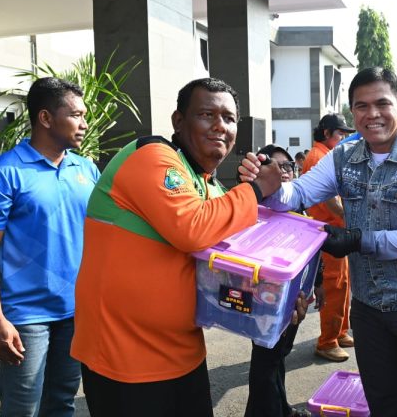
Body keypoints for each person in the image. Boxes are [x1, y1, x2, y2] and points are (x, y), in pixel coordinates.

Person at [239, 66, 397, 416]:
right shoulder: (344, 156)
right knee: (381, 405)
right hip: (370, 309)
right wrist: (266, 184)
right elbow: (299, 193)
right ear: (353, 111)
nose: (372, 114)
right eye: (361, 106)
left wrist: (359, 240)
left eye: (382, 104)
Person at [70, 77, 290, 416]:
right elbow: (193, 229)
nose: (220, 126)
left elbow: (235, 261)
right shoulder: (152, 156)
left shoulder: (207, 184)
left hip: (183, 355)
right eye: (206, 114)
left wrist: (280, 299)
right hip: (124, 360)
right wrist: (256, 189)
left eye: (229, 118)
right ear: (178, 121)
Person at [0, 77, 100, 416]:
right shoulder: (2, 174)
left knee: (62, 403)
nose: (84, 124)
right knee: (21, 409)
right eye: (76, 115)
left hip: (76, 311)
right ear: (45, 118)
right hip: (26, 316)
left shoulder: (86, 169)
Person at [244, 144, 324, 417]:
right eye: (275, 167)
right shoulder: (255, 211)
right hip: (265, 301)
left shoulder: (299, 208)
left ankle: (282, 408)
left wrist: (319, 284)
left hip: (294, 301)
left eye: (287, 166)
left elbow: (313, 254)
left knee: (278, 358)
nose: (283, 172)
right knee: (265, 363)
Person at [304, 113, 356, 362]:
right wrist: (352, 217)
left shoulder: (327, 154)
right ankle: (327, 342)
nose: (343, 138)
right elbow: (330, 200)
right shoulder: (318, 157)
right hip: (327, 233)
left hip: (337, 232)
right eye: (340, 133)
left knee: (343, 285)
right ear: (326, 133)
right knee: (333, 287)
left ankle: (340, 331)